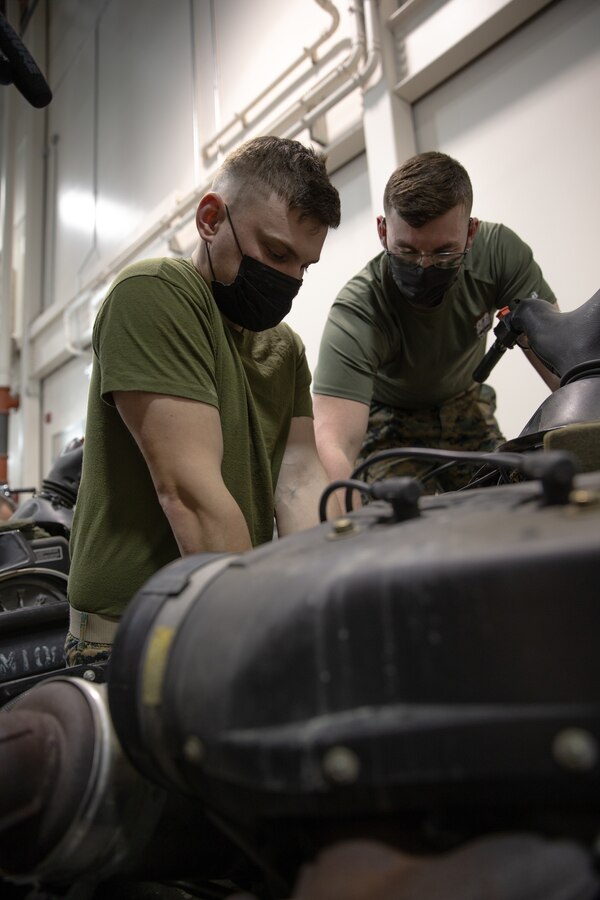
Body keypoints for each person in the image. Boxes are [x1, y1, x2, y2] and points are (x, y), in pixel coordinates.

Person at [65, 135, 341, 667]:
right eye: (276, 252)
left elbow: (301, 482)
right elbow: (190, 495)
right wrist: (259, 633)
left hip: (224, 608)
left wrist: (321, 597)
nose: (288, 280)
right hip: (132, 634)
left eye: (304, 266)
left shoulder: (284, 349)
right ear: (211, 218)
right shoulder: (156, 293)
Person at [312, 151, 559, 494]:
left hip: (465, 406)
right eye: (408, 252)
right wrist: (341, 527)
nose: (424, 266)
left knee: (511, 496)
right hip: (390, 425)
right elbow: (333, 443)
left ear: (470, 233)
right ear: (383, 231)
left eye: (444, 253)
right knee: (403, 523)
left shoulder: (499, 254)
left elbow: (562, 364)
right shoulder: (359, 309)